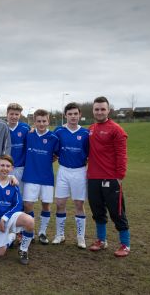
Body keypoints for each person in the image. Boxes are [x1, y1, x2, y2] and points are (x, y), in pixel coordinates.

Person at [87, 96, 130, 257]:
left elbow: (122, 155)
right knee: (97, 211)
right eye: (97, 109)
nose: (99, 112)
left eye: (102, 109)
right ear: (93, 111)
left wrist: (119, 176)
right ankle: (101, 240)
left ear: (108, 110)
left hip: (111, 178)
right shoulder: (91, 128)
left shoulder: (116, 129)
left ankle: (125, 244)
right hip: (93, 178)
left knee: (117, 212)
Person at [0, 155, 35, 265]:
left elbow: (19, 204)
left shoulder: (13, 184)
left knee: (30, 221)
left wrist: (5, 218)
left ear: (11, 168)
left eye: (8, 166)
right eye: (2, 165)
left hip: (9, 217)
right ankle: (11, 237)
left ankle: (23, 250)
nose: (5, 168)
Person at [52, 103, 89, 249]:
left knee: (79, 204)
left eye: (75, 114)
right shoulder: (59, 130)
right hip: (63, 170)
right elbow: (51, 145)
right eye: (70, 114)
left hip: (79, 171)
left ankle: (81, 238)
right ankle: (59, 235)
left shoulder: (86, 133)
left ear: (79, 115)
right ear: (65, 115)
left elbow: (90, 153)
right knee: (60, 203)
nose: (73, 116)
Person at [22, 109, 59, 245]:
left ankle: (42, 232)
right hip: (31, 175)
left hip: (46, 177)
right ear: (34, 122)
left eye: (44, 121)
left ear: (48, 121)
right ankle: (30, 231)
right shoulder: (29, 135)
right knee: (28, 205)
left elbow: (56, 155)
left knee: (46, 205)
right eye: (39, 121)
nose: (41, 124)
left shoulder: (54, 138)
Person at [6, 103, 30, 194]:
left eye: (16, 114)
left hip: (20, 168)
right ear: (7, 114)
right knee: (6, 193)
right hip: (5, 168)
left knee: (20, 194)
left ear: (20, 115)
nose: (14, 116)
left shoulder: (25, 128)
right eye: (11, 114)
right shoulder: (3, 128)